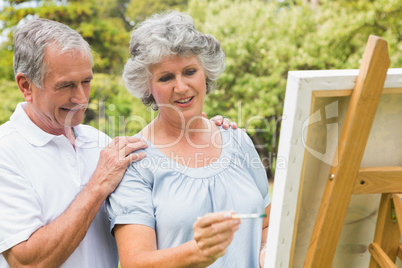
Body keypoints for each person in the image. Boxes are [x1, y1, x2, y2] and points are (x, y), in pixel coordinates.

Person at [0, 18, 235, 268]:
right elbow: (27, 262)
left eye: (86, 82)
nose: (81, 98)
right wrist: (97, 186)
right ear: (26, 85)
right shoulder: (7, 151)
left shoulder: (100, 142)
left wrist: (202, 130)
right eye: (66, 85)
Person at [106, 11, 271, 267]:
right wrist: (198, 252)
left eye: (190, 71)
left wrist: (266, 254)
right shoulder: (135, 161)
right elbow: (134, 262)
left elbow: (266, 224)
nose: (181, 87)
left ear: (206, 73)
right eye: (166, 77)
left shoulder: (237, 139)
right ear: (147, 85)